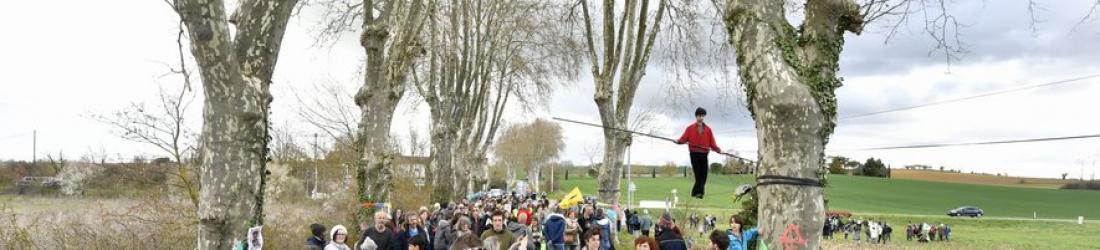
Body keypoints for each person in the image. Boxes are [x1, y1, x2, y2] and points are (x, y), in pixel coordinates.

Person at [674, 107, 723, 199]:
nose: (701, 117)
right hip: (694, 154)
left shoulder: (708, 130)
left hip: (704, 154)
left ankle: (694, 192)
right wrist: (678, 141)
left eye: (702, 116)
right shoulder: (690, 128)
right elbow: (683, 138)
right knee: (698, 175)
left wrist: (717, 149)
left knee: (704, 175)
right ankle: (699, 194)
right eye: (699, 115)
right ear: (696, 116)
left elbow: (712, 143)